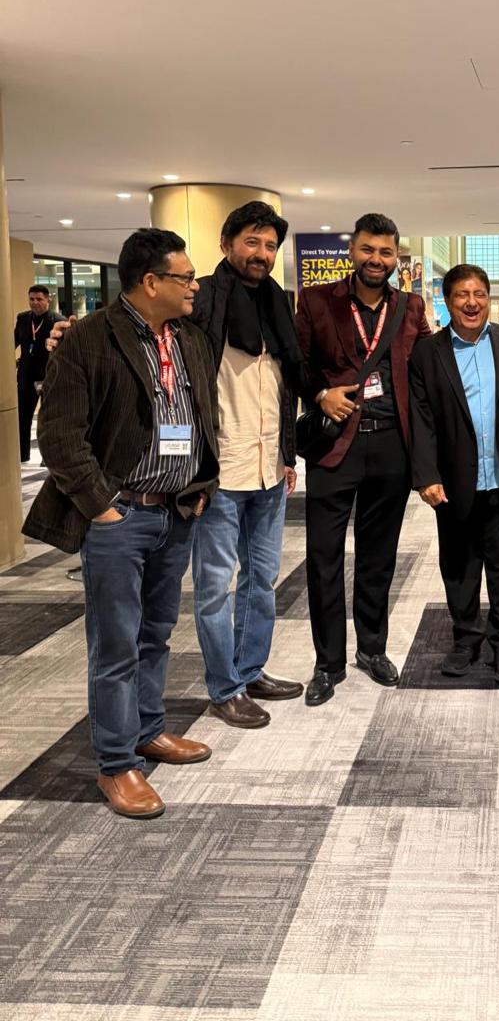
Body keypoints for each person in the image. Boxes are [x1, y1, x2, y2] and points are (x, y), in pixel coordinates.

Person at [23, 228, 220, 819]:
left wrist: (201, 486)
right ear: (151, 282)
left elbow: (203, 417)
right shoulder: (89, 337)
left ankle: (148, 729)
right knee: (115, 644)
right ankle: (115, 762)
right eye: (186, 277)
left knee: (156, 633)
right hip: (120, 515)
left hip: (176, 510)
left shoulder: (189, 337)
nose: (195, 287)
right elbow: (60, 436)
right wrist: (103, 508)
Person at [296, 212, 432, 705]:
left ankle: (372, 649)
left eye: (386, 252)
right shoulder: (316, 301)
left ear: (397, 257)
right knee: (323, 557)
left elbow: (425, 368)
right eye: (368, 249)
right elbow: (298, 364)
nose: (377, 259)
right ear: (352, 251)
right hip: (336, 445)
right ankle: (328, 662)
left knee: (378, 556)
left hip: (392, 445)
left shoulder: (410, 306)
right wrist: (319, 395)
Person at [189, 201, 304, 729]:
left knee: (263, 578)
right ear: (226, 243)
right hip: (220, 470)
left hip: (269, 467)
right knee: (216, 585)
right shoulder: (202, 301)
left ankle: (250, 669)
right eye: (252, 242)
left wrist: (286, 454)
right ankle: (224, 687)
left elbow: (283, 387)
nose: (262, 253)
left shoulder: (279, 303)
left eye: (270, 245)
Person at [409, 264, 499, 684]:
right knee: (459, 566)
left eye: (479, 294)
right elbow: (421, 418)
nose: (472, 302)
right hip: (453, 480)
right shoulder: (427, 352)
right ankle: (466, 640)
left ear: (489, 298)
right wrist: (426, 475)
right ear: (447, 300)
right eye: (462, 294)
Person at [13, 286, 64, 461]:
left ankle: (48, 457)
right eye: (32, 299)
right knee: (22, 417)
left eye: (39, 299)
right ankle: (22, 454)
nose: (35, 302)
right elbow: (13, 342)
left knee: (48, 419)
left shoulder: (58, 321)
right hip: (26, 377)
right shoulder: (23, 319)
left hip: (49, 377)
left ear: (48, 300)